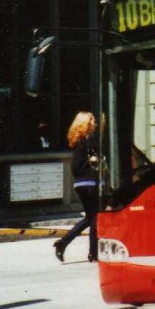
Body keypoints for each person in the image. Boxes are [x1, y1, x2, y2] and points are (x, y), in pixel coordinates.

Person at [54, 111, 100, 263]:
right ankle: (94, 253)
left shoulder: (78, 141)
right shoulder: (90, 140)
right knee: (95, 218)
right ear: (86, 124)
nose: (96, 123)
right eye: (92, 120)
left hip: (80, 184)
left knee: (90, 217)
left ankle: (63, 242)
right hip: (90, 183)